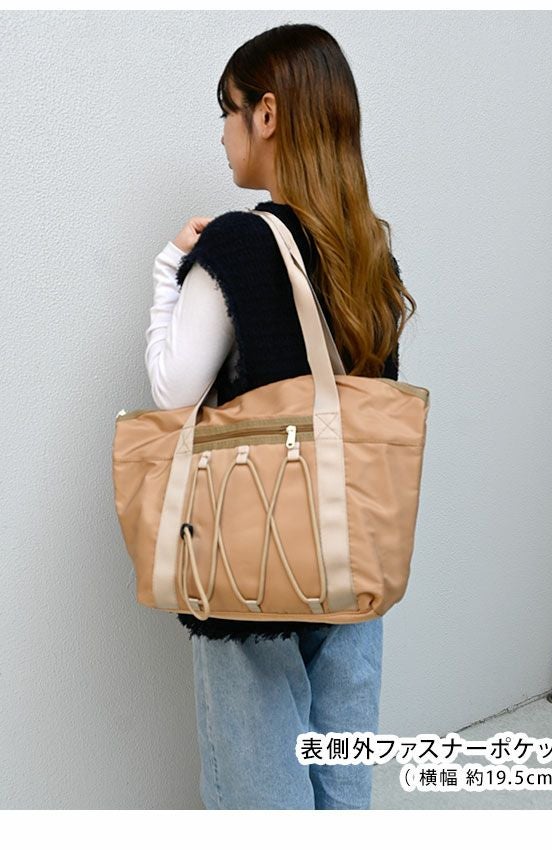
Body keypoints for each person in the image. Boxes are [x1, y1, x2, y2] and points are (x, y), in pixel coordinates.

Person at [144, 23, 417, 810]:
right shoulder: (369, 247)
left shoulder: (239, 243)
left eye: (226, 111)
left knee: (259, 792)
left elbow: (173, 391)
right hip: (356, 548)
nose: (222, 134)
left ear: (266, 114)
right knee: (341, 771)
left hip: (255, 561)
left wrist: (168, 270)